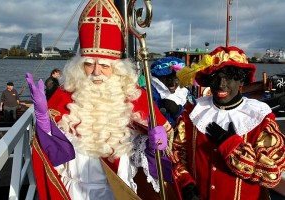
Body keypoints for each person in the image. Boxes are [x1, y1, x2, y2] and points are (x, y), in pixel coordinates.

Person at [26, 0, 176, 199]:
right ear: (79, 66)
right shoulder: (65, 95)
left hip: (120, 192)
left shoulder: (135, 96)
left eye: (105, 66)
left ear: (118, 68)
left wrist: (153, 145)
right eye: (89, 64)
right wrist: (44, 121)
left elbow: (149, 159)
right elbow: (54, 155)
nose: (96, 72)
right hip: (75, 193)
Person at [172, 46, 285, 200]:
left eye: (229, 78)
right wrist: (186, 183)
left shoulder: (260, 118)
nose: (221, 84)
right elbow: (178, 154)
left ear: (240, 81)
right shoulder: (192, 112)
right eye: (215, 77)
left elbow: (271, 174)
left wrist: (231, 145)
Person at [150, 56, 190, 126]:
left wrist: (178, 110)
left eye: (176, 78)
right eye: (167, 79)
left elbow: (192, 115)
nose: (172, 83)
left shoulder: (183, 92)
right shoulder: (149, 94)